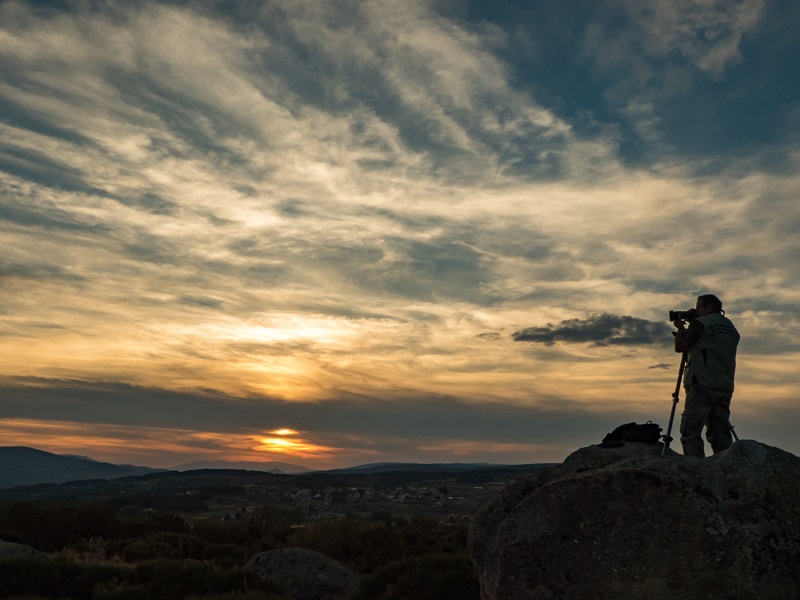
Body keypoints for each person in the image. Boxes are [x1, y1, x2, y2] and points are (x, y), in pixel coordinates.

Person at [673, 294, 740, 457]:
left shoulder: (701, 324)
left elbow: (681, 346)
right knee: (720, 432)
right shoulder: (730, 326)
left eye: (698, 308)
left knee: (690, 430)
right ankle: (725, 468)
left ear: (708, 307)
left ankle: (695, 470)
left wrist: (681, 328)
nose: (696, 311)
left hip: (700, 382)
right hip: (723, 384)